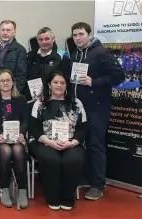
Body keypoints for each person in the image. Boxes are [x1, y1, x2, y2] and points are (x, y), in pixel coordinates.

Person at [70, 22, 124, 200]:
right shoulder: (75, 54)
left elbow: (118, 76)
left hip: (97, 107)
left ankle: (98, 184)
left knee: (95, 144)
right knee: (81, 143)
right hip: (78, 108)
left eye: (81, 34)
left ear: (89, 34)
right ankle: (86, 178)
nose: (78, 38)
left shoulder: (102, 52)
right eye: (75, 35)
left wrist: (95, 82)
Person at [29, 71, 88, 210]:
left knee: (73, 160)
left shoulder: (76, 103)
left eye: (62, 83)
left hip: (71, 142)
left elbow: (83, 128)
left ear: (66, 85)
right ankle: (53, 198)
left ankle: (67, 198)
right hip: (45, 142)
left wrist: (71, 143)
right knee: (51, 159)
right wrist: (50, 142)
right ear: (49, 85)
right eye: (55, 82)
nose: (59, 85)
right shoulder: (40, 103)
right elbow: (34, 128)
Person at [0, 69, 29, 208]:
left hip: (18, 137)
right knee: (5, 150)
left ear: (13, 82)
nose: (5, 83)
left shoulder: (21, 99)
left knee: (17, 150)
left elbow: (25, 121)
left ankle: (22, 190)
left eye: (8, 80)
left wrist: (22, 133)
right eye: (2, 81)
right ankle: (4, 189)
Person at [25, 27, 71, 100]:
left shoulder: (62, 56)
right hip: (33, 99)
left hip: (54, 99)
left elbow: (65, 81)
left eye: (47, 39)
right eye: (40, 39)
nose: (44, 42)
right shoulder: (29, 56)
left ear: (53, 39)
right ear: (37, 41)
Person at [0, 20, 27, 92]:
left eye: (8, 30)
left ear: (14, 33)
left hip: (11, 92)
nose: (5, 33)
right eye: (3, 30)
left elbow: (21, 75)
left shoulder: (20, 50)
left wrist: (15, 93)